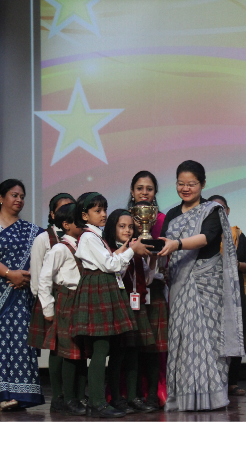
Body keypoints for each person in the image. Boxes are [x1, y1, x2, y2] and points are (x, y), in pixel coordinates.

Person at [157, 160, 244, 411]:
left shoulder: (212, 210)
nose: (185, 188)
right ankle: (183, 397)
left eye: (191, 184)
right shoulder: (172, 214)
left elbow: (206, 238)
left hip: (207, 281)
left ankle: (213, 396)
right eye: (181, 184)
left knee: (210, 338)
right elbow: (164, 243)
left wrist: (177, 245)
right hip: (179, 281)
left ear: (203, 184)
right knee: (184, 340)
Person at [69, 192, 149, 418]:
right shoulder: (88, 237)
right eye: (97, 211)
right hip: (97, 290)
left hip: (104, 288)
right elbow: (110, 264)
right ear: (85, 215)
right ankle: (97, 402)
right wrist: (131, 250)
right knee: (100, 348)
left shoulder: (97, 236)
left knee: (105, 347)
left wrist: (125, 249)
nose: (103, 214)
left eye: (104, 209)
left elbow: (112, 262)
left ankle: (99, 401)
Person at [0, 179, 45, 410]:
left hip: (21, 294)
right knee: (0, 342)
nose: (19, 200)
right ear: (1, 198)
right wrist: (9, 273)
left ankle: (23, 395)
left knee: (22, 341)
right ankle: (4, 395)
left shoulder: (31, 230)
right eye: (14, 195)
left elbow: (44, 254)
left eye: (22, 196)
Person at [32, 203, 88, 415]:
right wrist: (47, 308)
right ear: (66, 224)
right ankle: (64, 397)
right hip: (66, 300)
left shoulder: (84, 244)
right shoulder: (59, 248)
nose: (84, 224)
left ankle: (79, 395)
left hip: (81, 300)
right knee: (67, 351)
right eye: (79, 220)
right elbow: (45, 278)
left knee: (80, 352)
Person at [103, 209, 157, 413]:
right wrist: (130, 251)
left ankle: (133, 396)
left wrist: (152, 258)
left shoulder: (136, 251)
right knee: (118, 354)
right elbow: (116, 271)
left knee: (134, 353)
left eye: (130, 227)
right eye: (122, 226)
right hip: (120, 306)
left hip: (137, 306)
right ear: (113, 228)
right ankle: (116, 397)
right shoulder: (110, 251)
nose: (127, 230)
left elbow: (147, 279)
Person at [28, 192, 76, 413]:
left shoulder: (79, 237)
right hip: (52, 299)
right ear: (53, 214)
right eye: (62, 209)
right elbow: (38, 275)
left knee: (73, 348)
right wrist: (45, 304)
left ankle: (73, 393)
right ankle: (58, 395)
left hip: (72, 299)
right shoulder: (44, 239)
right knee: (56, 349)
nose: (67, 212)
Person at [127, 171, 169, 408]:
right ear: (132, 192)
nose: (144, 193)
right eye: (140, 188)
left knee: (155, 345)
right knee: (131, 345)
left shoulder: (163, 220)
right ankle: (130, 394)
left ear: (155, 193)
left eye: (149, 189)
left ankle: (154, 393)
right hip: (128, 291)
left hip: (155, 289)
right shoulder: (123, 220)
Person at [209, 194, 246, 396]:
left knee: (236, 333)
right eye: (213, 209)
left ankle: (232, 382)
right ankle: (213, 382)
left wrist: (236, 265)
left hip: (235, 292)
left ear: (228, 211)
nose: (219, 213)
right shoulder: (203, 236)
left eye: (222, 208)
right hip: (210, 291)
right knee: (213, 336)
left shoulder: (237, 234)